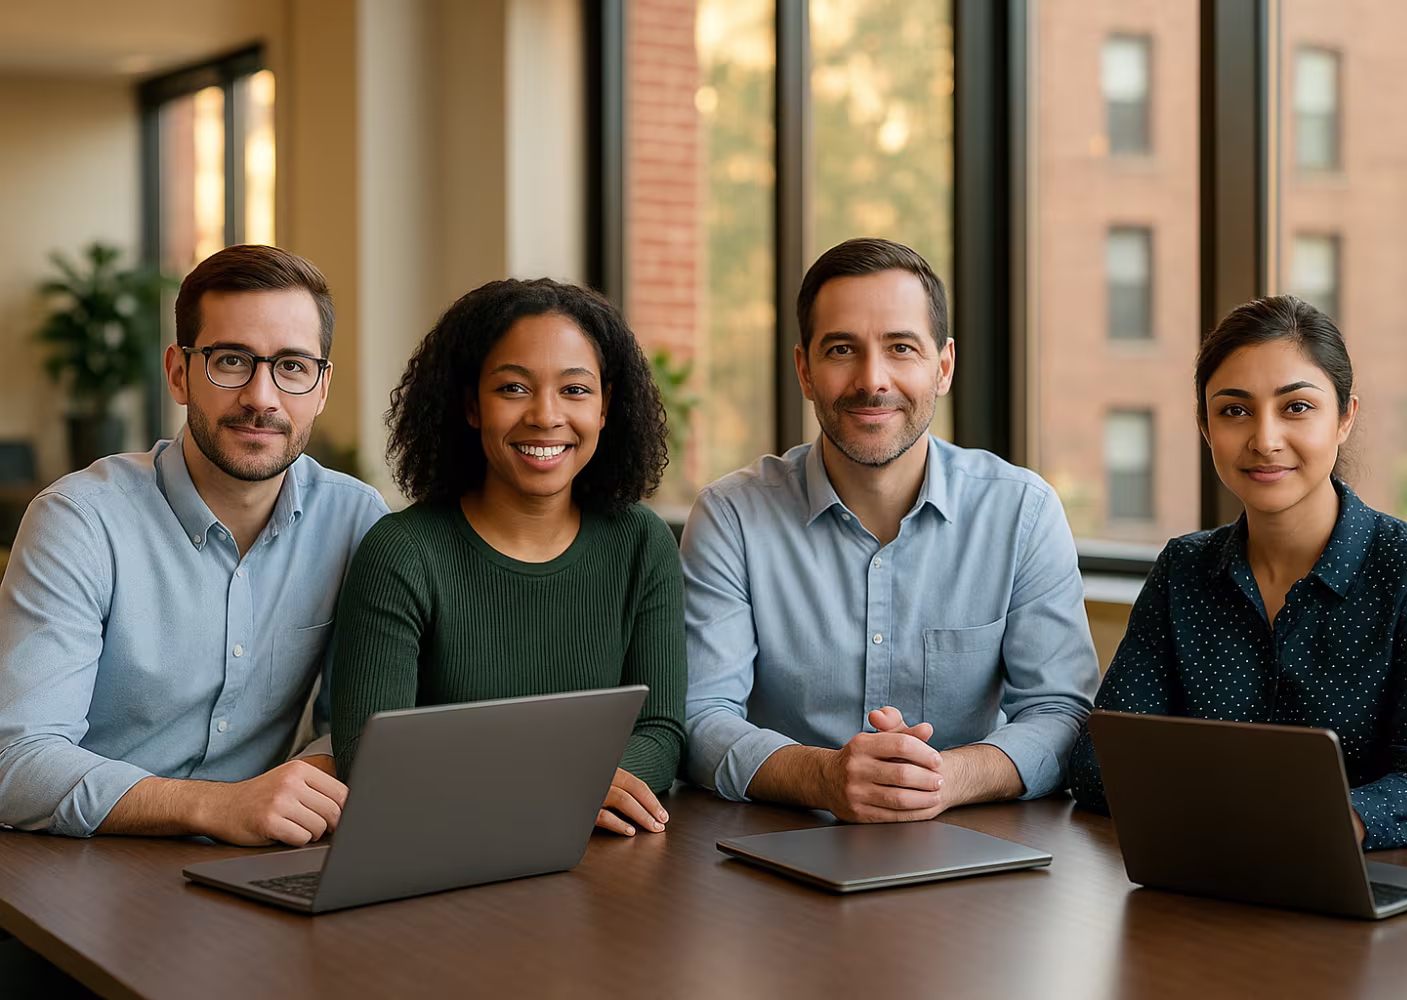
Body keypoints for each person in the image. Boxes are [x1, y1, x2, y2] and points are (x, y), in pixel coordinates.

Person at [681, 238, 1098, 823]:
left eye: (901, 348)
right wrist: (821, 777)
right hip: (778, 846)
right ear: (804, 369)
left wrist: (947, 777)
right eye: (841, 349)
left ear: (943, 365)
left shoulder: (1022, 512)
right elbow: (701, 715)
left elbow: (1063, 713)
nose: (871, 379)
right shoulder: (732, 518)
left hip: (973, 852)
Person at [1069, 295, 1407, 866]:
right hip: (1230, 877)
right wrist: (1244, 824)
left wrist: (1294, 823)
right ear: (1204, 425)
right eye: (1235, 411)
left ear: (1345, 417)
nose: (1264, 439)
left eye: (1296, 408)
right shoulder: (1184, 570)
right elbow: (1100, 761)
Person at [0, 244, 388, 846]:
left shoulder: (355, 519)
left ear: (321, 386)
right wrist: (215, 807)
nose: (262, 397)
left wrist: (299, 785)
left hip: (251, 860)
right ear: (179, 372)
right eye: (231, 361)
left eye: (291, 366)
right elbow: (16, 760)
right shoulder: (78, 521)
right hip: (77, 864)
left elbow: (360, 724)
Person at [330, 278, 685, 837]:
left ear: (606, 406)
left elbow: (661, 733)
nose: (546, 417)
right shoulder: (401, 553)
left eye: (575, 390)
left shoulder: (641, 544)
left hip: (600, 863)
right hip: (440, 858)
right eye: (513, 389)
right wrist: (559, 787)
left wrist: (560, 791)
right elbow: (366, 758)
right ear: (471, 404)